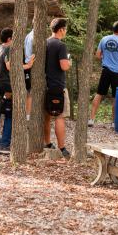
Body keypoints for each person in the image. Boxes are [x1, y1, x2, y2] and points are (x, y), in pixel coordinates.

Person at [88, 21, 118, 127]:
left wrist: (106, 59)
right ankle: (114, 122)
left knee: (99, 94)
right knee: (116, 97)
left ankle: (91, 119)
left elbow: (97, 55)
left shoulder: (104, 39)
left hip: (106, 70)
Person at [44, 18, 71, 158]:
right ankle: (62, 148)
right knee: (59, 116)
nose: (65, 32)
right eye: (65, 29)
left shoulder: (45, 42)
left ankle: (47, 143)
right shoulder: (61, 45)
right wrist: (69, 62)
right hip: (57, 86)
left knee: (47, 116)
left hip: (45, 85)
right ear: (61, 29)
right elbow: (64, 66)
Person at [24, 28, 34, 120]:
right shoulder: (33, 36)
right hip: (30, 66)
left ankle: (28, 115)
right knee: (30, 91)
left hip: (28, 65)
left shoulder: (29, 35)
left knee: (29, 90)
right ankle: (28, 116)